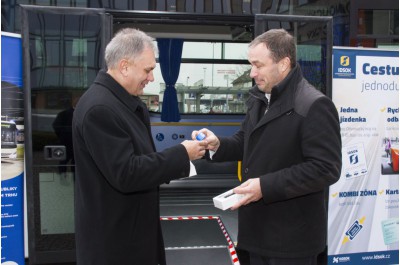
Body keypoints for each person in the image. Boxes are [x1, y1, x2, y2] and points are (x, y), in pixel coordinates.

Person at [192, 29, 342, 265]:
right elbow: (246, 140)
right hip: (255, 233)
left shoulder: (314, 105)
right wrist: (217, 145)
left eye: (258, 65)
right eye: (251, 65)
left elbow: (325, 168)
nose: (252, 73)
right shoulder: (259, 99)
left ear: (283, 64)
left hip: (292, 242)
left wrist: (264, 186)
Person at [72, 28, 207, 265]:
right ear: (124, 66)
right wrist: (182, 154)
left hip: (132, 234)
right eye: (148, 70)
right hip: (116, 245)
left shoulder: (124, 103)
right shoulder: (100, 109)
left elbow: (144, 160)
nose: (152, 78)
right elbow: (127, 173)